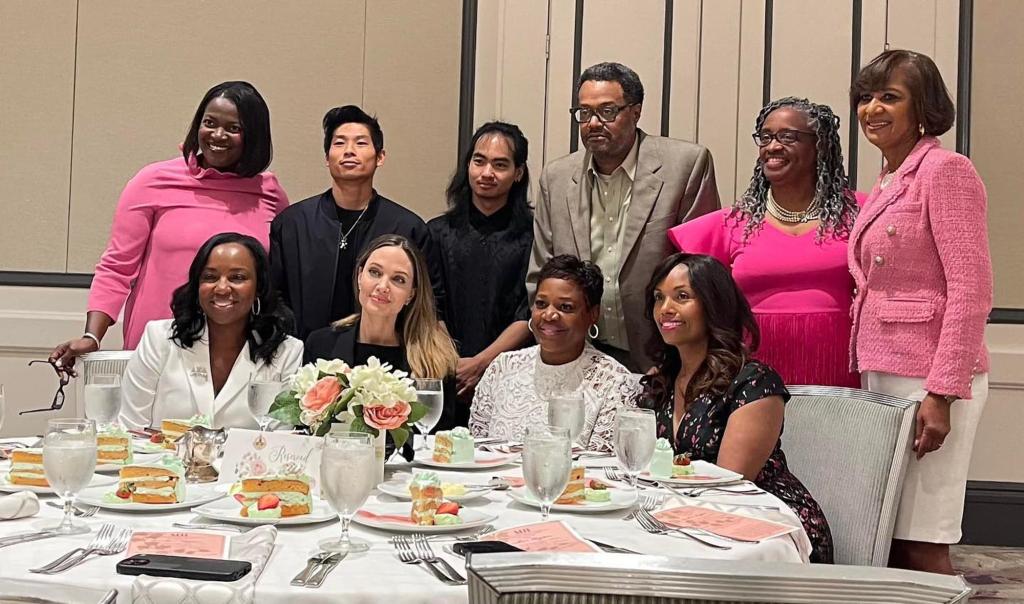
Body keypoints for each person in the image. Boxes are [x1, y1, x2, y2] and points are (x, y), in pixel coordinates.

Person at [849, 50, 992, 574]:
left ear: (923, 108)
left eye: (890, 97)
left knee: (922, 534)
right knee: (890, 532)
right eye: (866, 97)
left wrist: (941, 391)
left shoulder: (946, 171)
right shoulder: (889, 178)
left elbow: (971, 290)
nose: (872, 109)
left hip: (929, 376)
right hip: (883, 367)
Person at [50, 81, 289, 371]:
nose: (217, 135)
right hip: (155, 349)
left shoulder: (270, 194)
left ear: (254, 136)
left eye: (233, 128)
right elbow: (117, 266)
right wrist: (92, 336)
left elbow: (276, 279)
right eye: (209, 123)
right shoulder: (152, 181)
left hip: (239, 353)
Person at [636, 252, 833, 563]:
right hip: (681, 519)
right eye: (659, 298)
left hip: (764, 524)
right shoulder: (659, 382)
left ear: (714, 305)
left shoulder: (753, 383)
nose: (665, 309)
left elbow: (727, 483)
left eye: (682, 297)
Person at [528, 61, 720, 373]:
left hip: (661, 355)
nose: (593, 123)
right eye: (584, 112)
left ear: (635, 111)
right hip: (580, 358)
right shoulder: (557, 178)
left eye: (607, 111)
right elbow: (541, 274)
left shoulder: (684, 166)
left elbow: (701, 274)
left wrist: (684, 357)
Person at [668, 97, 860, 388]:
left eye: (788, 137)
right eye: (766, 137)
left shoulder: (861, 213)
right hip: (754, 376)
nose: (772, 146)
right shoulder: (729, 225)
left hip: (841, 371)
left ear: (819, 145)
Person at [271, 105, 444, 340]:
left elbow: (427, 303)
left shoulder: (408, 228)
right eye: (339, 143)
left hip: (384, 359)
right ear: (327, 157)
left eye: (361, 143)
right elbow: (276, 298)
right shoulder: (292, 224)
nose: (349, 151)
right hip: (304, 356)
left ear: (380, 156)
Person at [120, 233, 302, 431]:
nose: (222, 288)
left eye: (237, 278)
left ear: (259, 287)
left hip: (244, 462)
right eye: (210, 277)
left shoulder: (287, 351)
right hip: (161, 461)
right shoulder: (158, 338)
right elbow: (131, 429)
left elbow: (281, 442)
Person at [471, 255, 638, 452]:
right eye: (541, 304)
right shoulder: (503, 367)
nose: (549, 315)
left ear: (593, 314)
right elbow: (476, 450)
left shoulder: (614, 381)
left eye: (565, 307)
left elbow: (602, 467)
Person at [303, 235, 461, 429]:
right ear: (360, 276)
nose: (383, 287)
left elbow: (439, 443)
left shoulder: (435, 358)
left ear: (411, 294)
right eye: (375, 272)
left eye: (398, 279)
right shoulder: (320, 345)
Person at [428, 122, 533, 400]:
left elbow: (530, 310)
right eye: (479, 161)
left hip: (512, 374)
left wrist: (482, 362)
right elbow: (430, 306)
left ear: (518, 173)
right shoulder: (437, 232)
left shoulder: (534, 234)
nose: (487, 173)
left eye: (500, 165)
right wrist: (455, 364)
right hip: (446, 372)